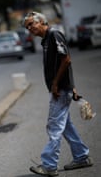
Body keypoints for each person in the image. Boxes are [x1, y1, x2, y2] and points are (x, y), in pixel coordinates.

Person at [22, 11, 93, 176]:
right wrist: (71, 86)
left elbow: (66, 59)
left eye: (32, 24)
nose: (30, 29)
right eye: (27, 27)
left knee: (54, 127)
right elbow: (65, 61)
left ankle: (49, 165)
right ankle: (81, 156)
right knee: (66, 127)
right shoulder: (45, 39)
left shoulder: (54, 34)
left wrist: (57, 83)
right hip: (62, 88)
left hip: (60, 90)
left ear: (42, 22)